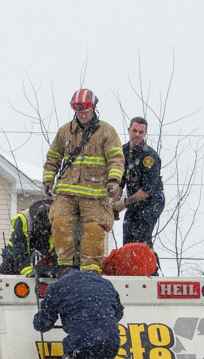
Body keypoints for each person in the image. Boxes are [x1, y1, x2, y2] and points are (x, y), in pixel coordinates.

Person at [43, 89, 124, 274]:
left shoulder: (107, 132)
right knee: (59, 222)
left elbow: (116, 159)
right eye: (79, 110)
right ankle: (65, 266)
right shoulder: (65, 131)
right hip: (67, 190)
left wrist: (113, 180)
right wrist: (48, 178)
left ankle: (90, 270)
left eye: (86, 110)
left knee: (94, 229)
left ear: (94, 108)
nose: (82, 114)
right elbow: (53, 157)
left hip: (94, 193)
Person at [115, 117, 165, 265]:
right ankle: (131, 269)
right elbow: (120, 182)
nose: (137, 134)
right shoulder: (122, 152)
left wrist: (124, 203)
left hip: (151, 201)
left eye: (141, 132)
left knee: (141, 238)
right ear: (129, 130)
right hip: (133, 202)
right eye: (135, 131)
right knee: (128, 238)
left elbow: (147, 190)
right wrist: (114, 204)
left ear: (145, 133)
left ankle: (150, 270)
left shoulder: (149, 156)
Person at [0, 198, 56, 276]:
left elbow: (58, 248)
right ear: (36, 221)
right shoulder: (23, 220)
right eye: (42, 230)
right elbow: (19, 250)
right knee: (9, 265)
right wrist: (28, 272)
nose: (44, 233)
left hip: (39, 247)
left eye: (47, 231)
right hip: (14, 251)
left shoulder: (58, 220)